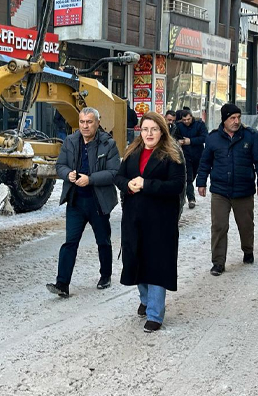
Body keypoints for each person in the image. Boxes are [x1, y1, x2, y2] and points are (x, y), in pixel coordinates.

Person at [114, 112, 186, 333]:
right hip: (134, 218)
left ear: (162, 131)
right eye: (145, 129)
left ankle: (155, 314)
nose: (149, 133)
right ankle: (145, 299)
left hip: (160, 221)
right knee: (135, 261)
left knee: (156, 265)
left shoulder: (172, 154)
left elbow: (176, 186)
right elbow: (119, 177)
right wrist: (128, 185)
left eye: (154, 129)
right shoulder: (132, 151)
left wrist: (147, 184)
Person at [47, 107, 121, 297]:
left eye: (89, 122)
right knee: (70, 243)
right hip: (76, 200)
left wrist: (91, 179)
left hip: (98, 201)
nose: (85, 126)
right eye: (82, 122)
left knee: (103, 241)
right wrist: (67, 174)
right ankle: (62, 284)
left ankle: (105, 275)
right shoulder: (70, 141)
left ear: (97, 122)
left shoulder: (108, 144)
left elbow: (114, 173)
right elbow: (60, 165)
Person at [196, 104, 258, 276]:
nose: (236, 121)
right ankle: (218, 262)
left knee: (245, 225)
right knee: (219, 226)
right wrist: (201, 182)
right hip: (220, 191)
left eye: (238, 117)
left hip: (244, 190)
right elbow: (205, 162)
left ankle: (248, 250)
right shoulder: (213, 138)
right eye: (232, 118)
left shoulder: (251, 136)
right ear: (224, 119)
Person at [175, 109, 208, 209]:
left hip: (198, 155)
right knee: (188, 178)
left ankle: (187, 192)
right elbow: (174, 137)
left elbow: (205, 137)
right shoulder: (179, 126)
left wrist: (191, 141)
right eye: (184, 120)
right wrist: (179, 141)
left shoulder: (199, 124)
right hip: (185, 155)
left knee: (193, 176)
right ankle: (191, 199)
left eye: (188, 119)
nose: (186, 122)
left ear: (192, 117)